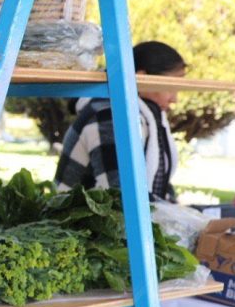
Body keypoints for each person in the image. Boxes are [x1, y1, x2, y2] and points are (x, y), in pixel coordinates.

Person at [54, 41, 186, 202]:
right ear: (142, 78)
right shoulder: (108, 116)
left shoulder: (146, 117)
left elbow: (159, 186)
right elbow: (118, 196)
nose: (175, 99)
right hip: (80, 223)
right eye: (171, 86)